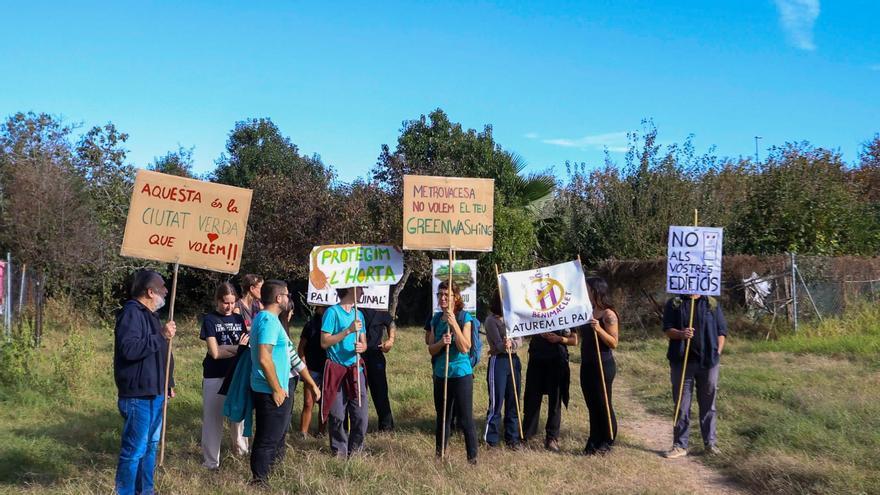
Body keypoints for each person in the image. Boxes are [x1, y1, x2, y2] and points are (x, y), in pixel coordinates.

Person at [249, 280, 321, 485]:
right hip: (270, 390)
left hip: (275, 389)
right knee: (267, 439)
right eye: (287, 295)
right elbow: (264, 357)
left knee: (277, 436)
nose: (289, 299)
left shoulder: (272, 321)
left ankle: (269, 475)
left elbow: (293, 359)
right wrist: (277, 388)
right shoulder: (268, 322)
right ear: (278, 298)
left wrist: (312, 385)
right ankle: (259, 482)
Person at [113, 270, 176, 495]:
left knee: (150, 447)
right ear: (150, 292)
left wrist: (168, 382)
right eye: (162, 287)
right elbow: (129, 349)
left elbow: (162, 353)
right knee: (134, 450)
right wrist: (160, 335)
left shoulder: (152, 315)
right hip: (138, 395)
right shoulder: (131, 314)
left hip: (155, 391)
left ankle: (145, 490)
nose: (166, 291)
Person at [662, 293, 728, 458]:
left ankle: (710, 444)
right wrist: (681, 334)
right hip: (681, 362)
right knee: (681, 404)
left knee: (708, 404)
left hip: (708, 363)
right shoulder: (675, 303)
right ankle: (680, 445)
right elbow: (667, 329)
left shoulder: (711, 303)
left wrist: (717, 353)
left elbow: (721, 331)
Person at [426, 281, 478, 464]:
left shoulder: (465, 317)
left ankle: (472, 459)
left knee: (465, 419)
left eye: (447, 295)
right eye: (440, 295)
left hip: (461, 373)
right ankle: (440, 456)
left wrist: (454, 324)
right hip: (441, 373)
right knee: (442, 418)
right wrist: (441, 342)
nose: (442, 298)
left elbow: (465, 347)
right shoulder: (435, 319)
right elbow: (431, 349)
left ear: (456, 298)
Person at [200, 282, 250, 470]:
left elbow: (247, 348)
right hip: (214, 375)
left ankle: (242, 453)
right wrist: (238, 348)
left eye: (231, 303)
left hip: (236, 374)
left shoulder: (239, 319)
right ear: (217, 300)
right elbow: (214, 353)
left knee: (238, 417)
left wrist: (230, 349)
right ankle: (211, 462)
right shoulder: (210, 320)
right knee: (213, 420)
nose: (228, 307)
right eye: (225, 303)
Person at [320, 287, 368, 458]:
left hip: (356, 369)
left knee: (361, 416)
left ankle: (356, 452)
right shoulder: (332, 312)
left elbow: (364, 343)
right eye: (360, 289)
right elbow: (324, 342)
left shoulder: (359, 314)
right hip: (336, 369)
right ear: (350, 289)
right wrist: (348, 330)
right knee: (337, 415)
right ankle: (339, 453)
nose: (362, 293)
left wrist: (362, 346)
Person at [521, 322, 577, 452]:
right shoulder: (535, 311)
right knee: (532, 399)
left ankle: (552, 438)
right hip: (537, 358)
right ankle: (527, 436)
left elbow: (574, 340)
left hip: (557, 359)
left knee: (555, 400)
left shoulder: (564, 312)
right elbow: (524, 328)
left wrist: (559, 339)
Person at [579, 277, 619, 456]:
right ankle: (594, 439)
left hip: (603, 364)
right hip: (587, 364)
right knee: (592, 404)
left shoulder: (608, 314)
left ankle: (608, 439)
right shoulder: (586, 311)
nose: (585, 291)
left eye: (588, 289)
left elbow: (613, 342)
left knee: (603, 403)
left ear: (596, 291)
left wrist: (599, 329)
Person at [483, 289, 523, 450]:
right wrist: (502, 345)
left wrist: (512, 344)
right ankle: (491, 438)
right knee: (497, 401)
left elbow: (520, 340)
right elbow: (496, 345)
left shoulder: (513, 318)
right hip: (498, 362)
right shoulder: (491, 321)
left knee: (513, 400)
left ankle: (512, 438)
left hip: (513, 361)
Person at [361, 307, 396, 432]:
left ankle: (386, 426)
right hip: (358, 355)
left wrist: (391, 340)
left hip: (376, 353)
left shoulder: (379, 306)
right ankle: (358, 425)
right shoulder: (356, 305)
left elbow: (391, 323)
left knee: (380, 391)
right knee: (359, 392)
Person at [298, 306, 327, 438]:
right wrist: (304, 367)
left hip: (327, 369)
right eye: (324, 306)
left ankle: (321, 432)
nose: (326, 308)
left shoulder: (334, 324)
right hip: (312, 369)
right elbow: (301, 348)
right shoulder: (310, 325)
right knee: (308, 402)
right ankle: (303, 433)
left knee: (324, 404)